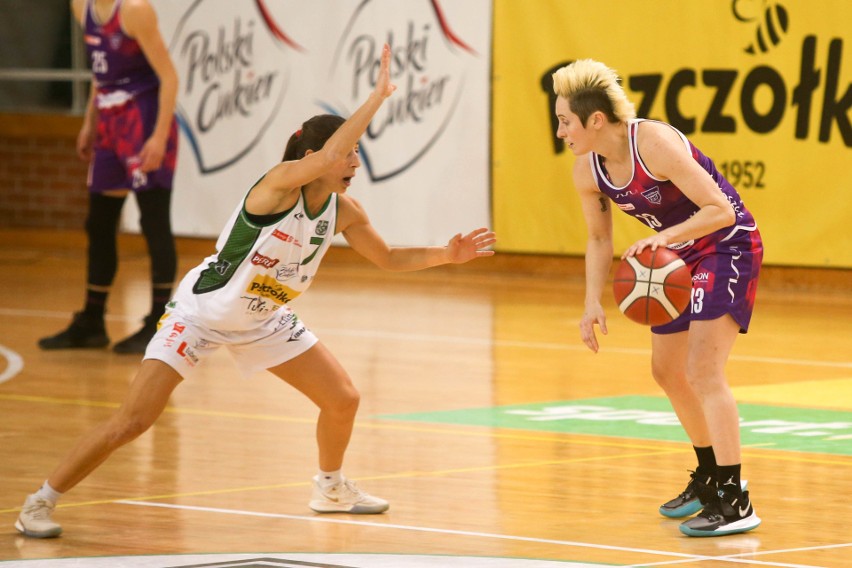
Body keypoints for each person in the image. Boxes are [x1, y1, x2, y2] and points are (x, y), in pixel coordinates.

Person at [16, 44, 497, 539]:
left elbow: (390, 258)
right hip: (200, 314)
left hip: (263, 318)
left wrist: (447, 254)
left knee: (343, 399)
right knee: (133, 422)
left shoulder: (344, 210)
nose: (354, 161)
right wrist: (376, 99)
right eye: (349, 152)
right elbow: (332, 152)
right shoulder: (278, 187)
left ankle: (329, 488)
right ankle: (40, 500)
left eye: (356, 152)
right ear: (313, 158)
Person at [552, 59, 763, 537]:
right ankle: (710, 475)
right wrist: (591, 303)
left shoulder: (654, 144)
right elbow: (600, 241)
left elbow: (719, 210)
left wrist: (664, 236)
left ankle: (736, 498)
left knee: (703, 370)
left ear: (595, 120)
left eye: (566, 120)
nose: (560, 130)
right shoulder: (587, 169)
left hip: (727, 243)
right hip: (678, 256)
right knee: (666, 370)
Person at [39, 0, 179, 354]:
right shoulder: (80, 7)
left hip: (142, 120)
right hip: (109, 123)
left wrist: (159, 137)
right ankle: (92, 320)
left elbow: (169, 77)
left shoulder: (134, 10)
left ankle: (158, 321)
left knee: (153, 221)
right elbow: (100, 75)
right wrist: (89, 121)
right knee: (99, 223)